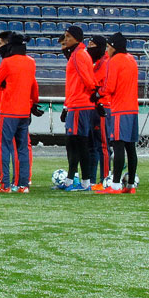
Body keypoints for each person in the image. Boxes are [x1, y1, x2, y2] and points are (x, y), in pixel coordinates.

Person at [0, 33, 41, 193]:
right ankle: (22, 185)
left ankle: (5, 185)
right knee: (23, 148)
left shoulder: (7, 62)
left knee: (4, 147)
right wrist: (34, 102)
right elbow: (34, 86)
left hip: (8, 112)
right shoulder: (31, 62)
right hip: (24, 112)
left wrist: (6, 83)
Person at [94, 32, 140, 195]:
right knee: (131, 147)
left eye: (108, 47)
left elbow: (110, 87)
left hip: (120, 109)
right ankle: (131, 184)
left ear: (113, 46)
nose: (107, 51)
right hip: (133, 108)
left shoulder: (115, 61)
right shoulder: (131, 60)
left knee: (118, 145)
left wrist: (98, 93)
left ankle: (115, 185)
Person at [57, 25, 98, 191]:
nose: (65, 39)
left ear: (76, 38)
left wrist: (93, 93)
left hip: (79, 104)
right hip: (78, 103)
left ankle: (84, 182)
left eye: (68, 36)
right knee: (76, 142)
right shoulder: (80, 53)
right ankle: (71, 180)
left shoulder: (78, 55)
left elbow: (86, 78)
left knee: (78, 143)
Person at [87, 35, 111, 189]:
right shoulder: (96, 62)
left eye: (92, 44)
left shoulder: (106, 63)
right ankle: (92, 179)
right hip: (95, 106)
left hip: (103, 106)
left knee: (103, 145)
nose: (89, 47)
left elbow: (98, 83)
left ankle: (105, 179)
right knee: (94, 145)